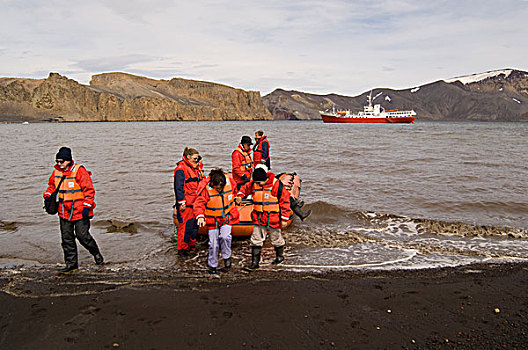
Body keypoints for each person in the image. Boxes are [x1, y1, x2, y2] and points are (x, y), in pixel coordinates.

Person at [43, 147, 103, 273]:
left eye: (62, 161)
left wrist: (87, 206)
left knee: (83, 236)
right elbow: (51, 186)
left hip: (80, 211)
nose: (59, 164)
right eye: (57, 161)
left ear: (69, 160)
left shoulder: (79, 171)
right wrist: (47, 195)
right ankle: (71, 265)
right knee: (67, 239)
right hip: (64, 211)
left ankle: (96, 253)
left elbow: (89, 190)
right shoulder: (56, 172)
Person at [235, 165, 291, 270]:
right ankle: (255, 263)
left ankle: (279, 257)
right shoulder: (253, 184)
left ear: (265, 179)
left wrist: (284, 219)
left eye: (259, 182)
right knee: (256, 239)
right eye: (256, 182)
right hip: (259, 217)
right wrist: (240, 195)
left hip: (273, 218)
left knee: (276, 239)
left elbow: (285, 202)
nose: (257, 184)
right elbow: (245, 188)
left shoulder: (276, 185)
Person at [194, 168, 239, 276]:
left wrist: (237, 198)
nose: (219, 190)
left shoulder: (230, 184)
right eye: (217, 188)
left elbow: (234, 192)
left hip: (226, 217)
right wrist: (200, 216)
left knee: (225, 237)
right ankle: (212, 265)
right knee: (213, 244)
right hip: (212, 219)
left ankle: (227, 258)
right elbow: (199, 204)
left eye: (221, 188)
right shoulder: (206, 190)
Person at [173, 147, 204, 256]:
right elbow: (178, 188)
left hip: (195, 203)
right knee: (185, 228)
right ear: (188, 157)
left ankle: (191, 246)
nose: (196, 160)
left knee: (194, 228)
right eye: (195, 158)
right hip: (186, 205)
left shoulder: (195, 168)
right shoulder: (181, 169)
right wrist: (181, 202)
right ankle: (182, 251)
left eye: (197, 158)